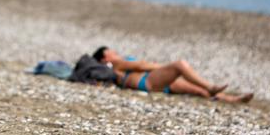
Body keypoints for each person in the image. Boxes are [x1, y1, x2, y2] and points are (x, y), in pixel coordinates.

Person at [93, 46, 253, 103]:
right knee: (180, 65)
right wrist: (165, 67)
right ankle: (211, 87)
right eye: (110, 51)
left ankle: (233, 99)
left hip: (152, 82)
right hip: (148, 82)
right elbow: (142, 65)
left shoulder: (116, 66)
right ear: (105, 58)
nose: (114, 52)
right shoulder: (116, 64)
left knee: (197, 90)